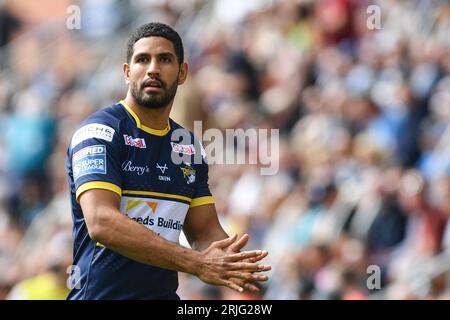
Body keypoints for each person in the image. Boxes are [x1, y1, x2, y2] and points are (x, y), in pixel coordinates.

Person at [65, 22, 270, 300]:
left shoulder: (187, 146)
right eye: (142, 60)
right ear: (127, 72)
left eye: (164, 59)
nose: (152, 68)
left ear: (182, 72)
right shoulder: (100, 132)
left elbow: (204, 229)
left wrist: (233, 263)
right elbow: (102, 222)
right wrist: (197, 263)